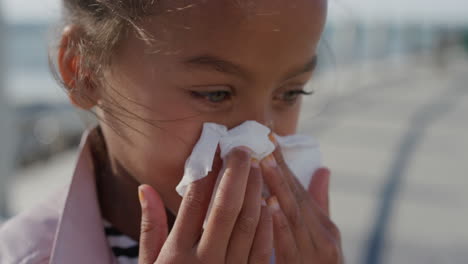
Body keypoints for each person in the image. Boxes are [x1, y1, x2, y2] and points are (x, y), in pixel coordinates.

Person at [0, 0, 343, 263]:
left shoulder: (295, 249)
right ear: (85, 71)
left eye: (291, 94)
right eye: (215, 94)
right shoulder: (26, 254)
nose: (260, 141)